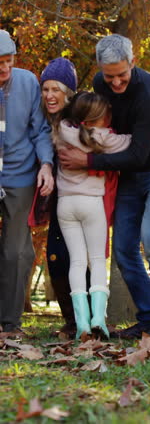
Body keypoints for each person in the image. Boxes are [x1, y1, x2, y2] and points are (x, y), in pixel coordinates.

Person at [58, 34, 150, 342]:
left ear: (133, 62)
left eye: (122, 75)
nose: (115, 83)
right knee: (123, 247)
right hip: (126, 167)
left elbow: (139, 153)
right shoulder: (100, 84)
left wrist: (88, 161)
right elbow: (100, 131)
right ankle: (146, 318)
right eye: (109, 75)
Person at [0, 30, 54, 335]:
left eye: (8, 62)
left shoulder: (27, 82)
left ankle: (9, 323)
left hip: (20, 174)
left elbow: (40, 130)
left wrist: (46, 163)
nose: (4, 69)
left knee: (15, 249)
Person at [40, 57, 89, 338]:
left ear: (67, 91)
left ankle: (83, 321)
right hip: (60, 197)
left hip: (83, 195)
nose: (49, 95)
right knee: (57, 257)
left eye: (55, 89)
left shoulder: (79, 113)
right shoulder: (49, 118)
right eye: (45, 89)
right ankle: (72, 320)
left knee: (77, 257)